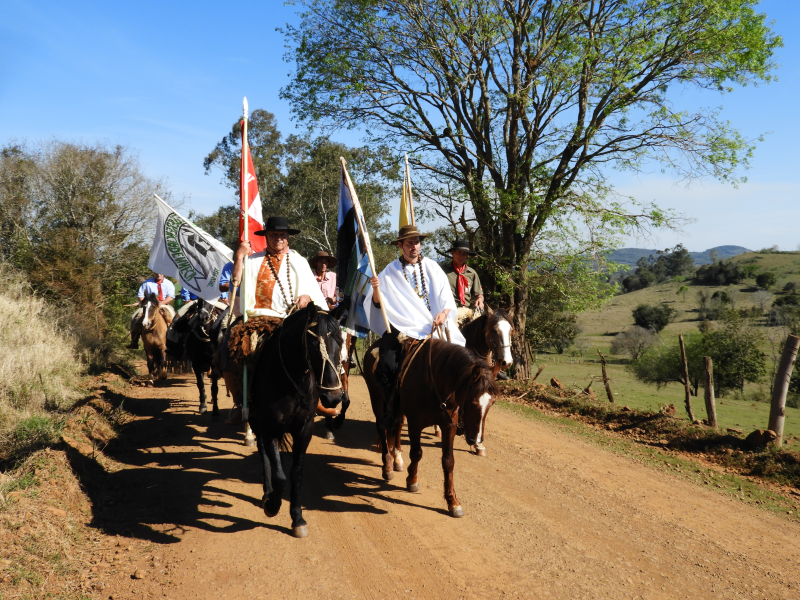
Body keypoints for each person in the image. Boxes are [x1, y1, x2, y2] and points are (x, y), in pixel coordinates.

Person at [220, 216, 328, 424]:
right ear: (266, 237)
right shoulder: (251, 260)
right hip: (256, 318)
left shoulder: (299, 261)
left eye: (282, 235)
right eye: (274, 234)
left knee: (319, 346)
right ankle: (241, 402)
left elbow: (310, 291)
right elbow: (234, 283)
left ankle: (317, 397)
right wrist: (240, 257)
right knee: (228, 348)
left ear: (288, 238)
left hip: (292, 319)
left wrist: (305, 296)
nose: (278, 238)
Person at [365, 224, 465, 430]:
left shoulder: (432, 267)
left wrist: (443, 314)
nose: (414, 247)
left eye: (417, 242)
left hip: (432, 325)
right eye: (409, 243)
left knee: (462, 360)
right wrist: (376, 289)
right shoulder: (389, 271)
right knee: (385, 365)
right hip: (401, 328)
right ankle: (392, 409)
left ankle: (460, 409)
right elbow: (377, 303)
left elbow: (446, 300)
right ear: (400, 245)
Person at [440, 239, 484, 327]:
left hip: (466, 312)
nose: (462, 256)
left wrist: (480, 300)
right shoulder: (442, 271)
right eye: (459, 253)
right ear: (452, 253)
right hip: (448, 313)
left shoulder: (472, 273)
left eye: (464, 254)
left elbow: (479, 294)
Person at [128, 273, 175, 349]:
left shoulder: (169, 283)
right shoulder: (147, 282)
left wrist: (159, 304)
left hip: (163, 304)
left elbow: (170, 297)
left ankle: (173, 341)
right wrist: (145, 303)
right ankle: (134, 341)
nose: (158, 275)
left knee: (173, 319)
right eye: (157, 273)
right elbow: (140, 295)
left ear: (164, 274)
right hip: (148, 305)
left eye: (160, 273)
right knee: (136, 317)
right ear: (154, 273)